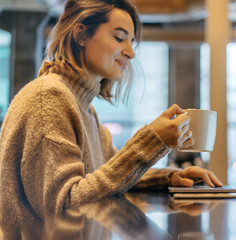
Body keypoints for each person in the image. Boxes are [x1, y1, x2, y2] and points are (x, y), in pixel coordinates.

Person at [0, 0, 223, 220]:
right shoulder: (48, 99)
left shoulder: (82, 107)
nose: (131, 53)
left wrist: (170, 178)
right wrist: (153, 140)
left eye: (131, 42)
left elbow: (105, 174)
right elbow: (65, 204)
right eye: (119, 38)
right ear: (81, 35)